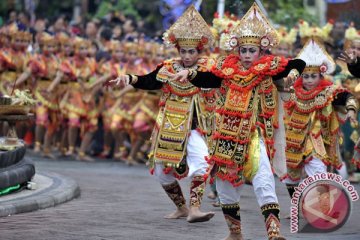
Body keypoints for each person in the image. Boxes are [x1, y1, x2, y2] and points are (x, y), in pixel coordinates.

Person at [167, 3, 306, 240]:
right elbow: (208, 77)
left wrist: (293, 75)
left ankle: (273, 233)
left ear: (260, 51)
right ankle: (235, 233)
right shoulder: (226, 69)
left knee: (263, 180)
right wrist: (189, 74)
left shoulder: (268, 69)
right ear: (237, 50)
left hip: (254, 135)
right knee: (225, 186)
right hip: (226, 135)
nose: (247, 55)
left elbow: (296, 64)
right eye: (243, 50)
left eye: (252, 50)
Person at [111, 5, 216, 223]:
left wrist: (192, 74)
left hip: (196, 125)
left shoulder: (207, 68)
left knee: (203, 163)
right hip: (168, 125)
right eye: (183, 51)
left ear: (199, 51)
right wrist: (129, 78)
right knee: (161, 171)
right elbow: (149, 80)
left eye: (191, 52)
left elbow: (212, 80)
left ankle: (196, 208)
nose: (187, 56)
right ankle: (182, 208)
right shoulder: (168, 68)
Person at [282, 39, 358, 194]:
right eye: (306, 76)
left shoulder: (329, 92)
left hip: (317, 141)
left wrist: (351, 111)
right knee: (291, 177)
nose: (309, 80)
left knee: (317, 173)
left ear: (321, 76)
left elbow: (348, 97)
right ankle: (297, 207)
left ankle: (321, 208)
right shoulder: (293, 92)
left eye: (313, 76)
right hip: (293, 139)